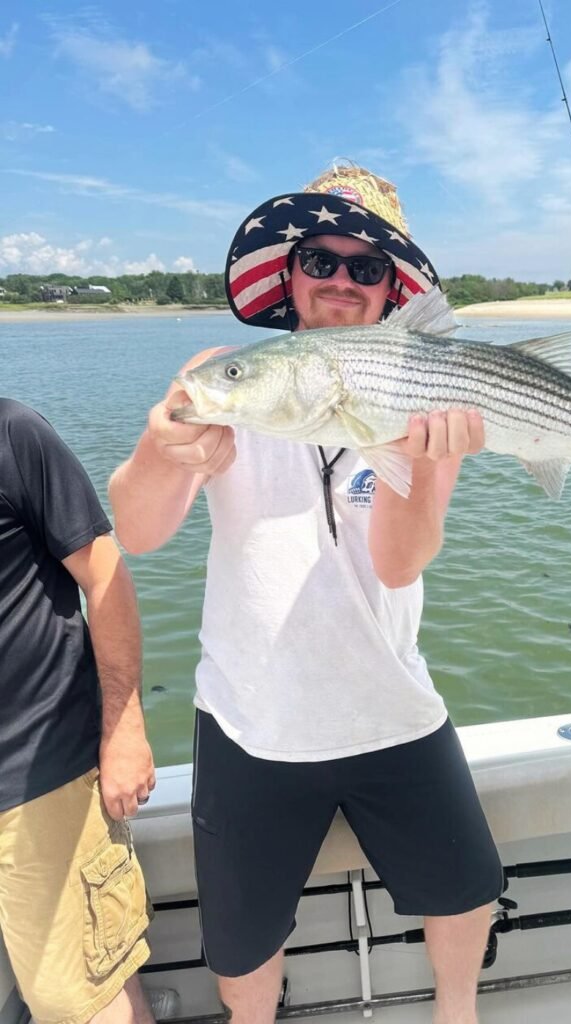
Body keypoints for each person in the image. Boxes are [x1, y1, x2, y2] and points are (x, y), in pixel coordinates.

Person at [108, 162, 504, 1024]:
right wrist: (160, 452)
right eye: (320, 260)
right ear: (288, 272)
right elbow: (136, 531)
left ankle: (458, 1014)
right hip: (252, 717)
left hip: (391, 703)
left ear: (391, 288)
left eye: (366, 268)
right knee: (244, 944)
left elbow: (401, 566)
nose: (340, 282)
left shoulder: (425, 386)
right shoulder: (226, 376)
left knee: (467, 894)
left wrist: (431, 462)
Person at [0, 398, 155, 1023]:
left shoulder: (14, 435)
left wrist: (124, 729)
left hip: (39, 775)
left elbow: (104, 575)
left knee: (81, 998)